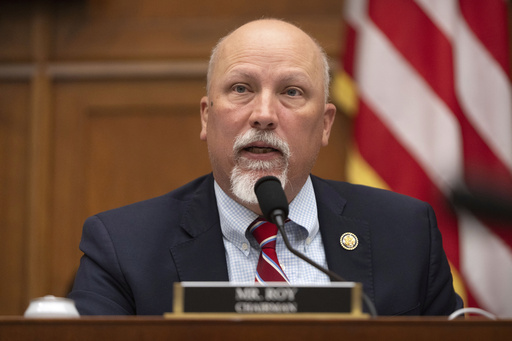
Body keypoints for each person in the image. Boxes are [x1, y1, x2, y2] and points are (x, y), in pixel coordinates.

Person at [68, 18, 463, 315]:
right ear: (207, 118)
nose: (263, 114)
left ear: (325, 125)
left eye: (291, 92)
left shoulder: (405, 235)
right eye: (241, 89)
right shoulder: (122, 247)